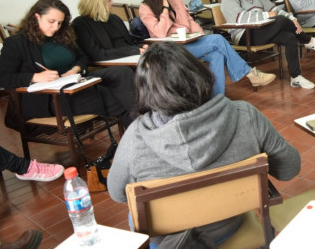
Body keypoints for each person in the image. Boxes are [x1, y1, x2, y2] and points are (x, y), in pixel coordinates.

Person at [107, 42, 300, 247]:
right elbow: (289, 168)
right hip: (229, 226)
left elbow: (117, 193)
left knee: (135, 214)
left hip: (171, 241)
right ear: (197, 72)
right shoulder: (245, 115)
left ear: (146, 89)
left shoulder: (135, 137)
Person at [0, 0, 133, 126]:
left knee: (123, 72)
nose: (56, 27)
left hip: (74, 81)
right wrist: (35, 77)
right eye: (51, 21)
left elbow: (83, 58)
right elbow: (2, 78)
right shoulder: (16, 43)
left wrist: (74, 70)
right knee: (121, 100)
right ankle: (142, 134)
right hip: (51, 97)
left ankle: (143, 129)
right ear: (36, 17)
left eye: (60, 23)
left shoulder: (61, 36)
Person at [138, 0, 276, 96]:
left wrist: (199, 33)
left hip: (189, 42)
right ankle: (250, 73)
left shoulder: (175, 0)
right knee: (217, 39)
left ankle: (216, 98)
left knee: (217, 55)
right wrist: (164, 9)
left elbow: (190, 20)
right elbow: (160, 33)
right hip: (170, 49)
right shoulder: (145, 8)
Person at [221, 0, 315, 89]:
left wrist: (292, 18)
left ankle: (296, 77)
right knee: (281, 20)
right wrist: (267, 15)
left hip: (263, 30)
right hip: (245, 35)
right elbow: (239, 18)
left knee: (289, 37)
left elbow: (274, 9)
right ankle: (307, 40)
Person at [73, 0, 148, 59]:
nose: (112, 3)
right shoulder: (80, 24)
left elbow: (130, 42)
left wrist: (142, 46)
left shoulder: (114, 18)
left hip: (131, 57)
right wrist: (132, 51)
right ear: (97, 3)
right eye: (109, 0)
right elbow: (98, 54)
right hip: (116, 63)